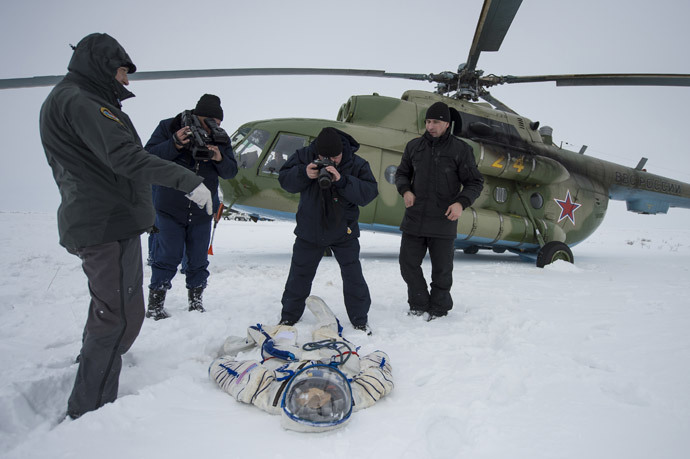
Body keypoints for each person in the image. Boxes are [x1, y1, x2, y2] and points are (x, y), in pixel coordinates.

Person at [39, 33, 213, 419]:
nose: (126, 82)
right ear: (103, 67)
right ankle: (90, 413)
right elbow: (127, 157)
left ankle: (92, 369)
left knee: (114, 311)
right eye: (121, 72)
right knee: (117, 318)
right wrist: (188, 179)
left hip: (108, 222)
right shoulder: (83, 102)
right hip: (105, 225)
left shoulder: (79, 100)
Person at [210, 296, 393, 432]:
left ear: (295, 403)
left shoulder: (271, 397)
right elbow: (379, 363)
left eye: (309, 400)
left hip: (288, 363)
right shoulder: (357, 395)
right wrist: (365, 363)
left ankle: (258, 335)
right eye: (321, 400)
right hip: (331, 361)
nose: (315, 393)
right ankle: (327, 323)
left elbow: (228, 372)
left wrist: (224, 360)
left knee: (280, 338)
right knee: (332, 340)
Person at [144, 95, 238, 319]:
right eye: (209, 121)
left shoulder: (220, 139)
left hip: (202, 209)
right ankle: (155, 304)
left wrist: (218, 158)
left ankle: (196, 302)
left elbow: (230, 171)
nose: (214, 126)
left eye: (218, 122)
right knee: (167, 256)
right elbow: (147, 158)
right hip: (169, 206)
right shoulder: (170, 127)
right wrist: (175, 143)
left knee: (198, 259)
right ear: (196, 116)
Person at [277, 127, 378, 333]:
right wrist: (304, 173)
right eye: (324, 157)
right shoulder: (304, 156)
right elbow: (285, 180)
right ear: (317, 152)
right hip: (310, 228)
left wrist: (342, 180)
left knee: (353, 276)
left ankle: (360, 319)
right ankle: (289, 317)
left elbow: (369, 193)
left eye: (335, 157)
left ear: (342, 151)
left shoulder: (356, 163)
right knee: (299, 275)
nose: (330, 160)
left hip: (344, 229)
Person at [395, 101, 484, 321]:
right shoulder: (414, 146)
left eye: (435, 122)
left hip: (444, 219)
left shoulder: (461, 150)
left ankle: (439, 308)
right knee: (407, 264)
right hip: (415, 218)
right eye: (428, 121)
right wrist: (405, 190)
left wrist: (460, 203)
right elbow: (402, 174)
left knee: (442, 271)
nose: (430, 126)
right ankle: (418, 302)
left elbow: (475, 182)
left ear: (447, 124)